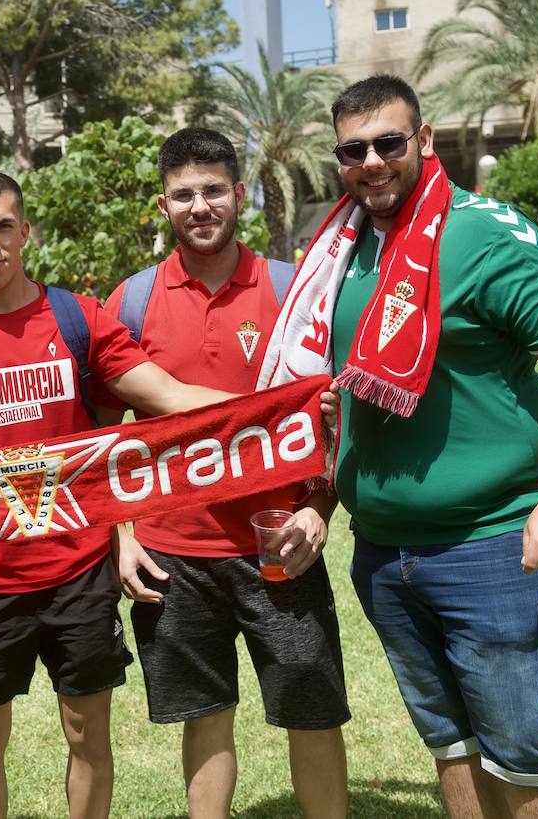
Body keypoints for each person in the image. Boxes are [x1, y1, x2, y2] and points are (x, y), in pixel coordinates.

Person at [278, 75, 538, 817]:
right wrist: (321, 503)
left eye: (389, 143)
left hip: (494, 547)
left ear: (423, 141)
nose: (372, 161)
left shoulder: (486, 233)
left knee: (530, 749)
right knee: (452, 744)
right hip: (387, 557)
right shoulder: (341, 252)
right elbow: (348, 404)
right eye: (352, 149)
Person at [0, 170, 240, 819]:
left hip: (79, 572)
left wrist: (282, 408)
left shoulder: (78, 319)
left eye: (4, 226)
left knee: (90, 737)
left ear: (25, 231)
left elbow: (168, 398)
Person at [103, 128, 349, 819]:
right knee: (204, 713)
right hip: (171, 552)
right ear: (163, 204)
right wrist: (123, 535)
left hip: (279, 548)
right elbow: (105, 441)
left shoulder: (290, 291)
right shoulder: (133, 300)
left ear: (240, 193)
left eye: (213, 189)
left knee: (312, 707)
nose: (200, 205)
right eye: (183, 194)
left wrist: (317, 511)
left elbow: (330, 424)